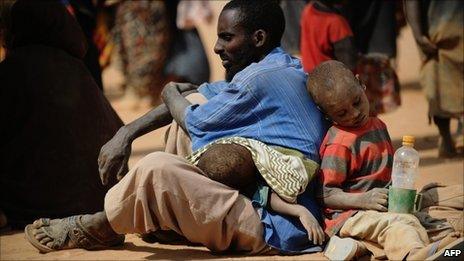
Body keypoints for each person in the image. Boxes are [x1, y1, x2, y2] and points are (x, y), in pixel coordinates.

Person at [25, 0, 328, 255]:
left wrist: (169, 91)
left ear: (258, 38)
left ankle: (102, 226)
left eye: (227, 38)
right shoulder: (279, 66)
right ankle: (168, 221)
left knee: (157, 168)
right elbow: (196, 99)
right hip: (261, 203)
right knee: (189, 109)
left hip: (274, 225)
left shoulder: (258, 80)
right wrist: (126, 132)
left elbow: (196, 120)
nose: (217, 46)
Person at [307, 60, 461, 260]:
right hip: (352, 215)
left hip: (388, 204)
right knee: (401, 224)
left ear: (361, 84)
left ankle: (449, 245)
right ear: (325, 113)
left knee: (445, 195)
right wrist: (364, 200)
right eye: (341, 113)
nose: (354, 114)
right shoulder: (339, 142)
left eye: (356, 102)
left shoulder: (377, 125)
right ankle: (416, 255)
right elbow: (325, 194)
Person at [0, 0, 123, 228]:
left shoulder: (12, 71)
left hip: (35, 207)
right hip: (96, 202)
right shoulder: (78, 70)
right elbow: (116, 129)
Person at [404, 0, 463, 158]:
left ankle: (450, 137)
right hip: (438, 34)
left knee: (438, 83)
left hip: (438, 29)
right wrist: (418, 34)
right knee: (438, 82)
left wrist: (417, 33)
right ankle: (447, 138)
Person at [300, 0, 357, 72]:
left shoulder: (308, 10)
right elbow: (349, 66)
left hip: (309, 77)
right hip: (329, 79)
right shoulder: (337, 23)